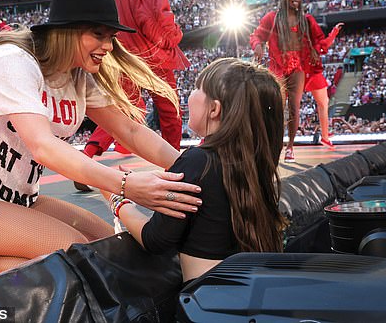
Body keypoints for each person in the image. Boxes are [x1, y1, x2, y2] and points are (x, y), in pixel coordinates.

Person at [0, 0, 202, 280]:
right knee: (72, 260)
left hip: (15, 199)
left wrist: (197, 167)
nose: (108, 46)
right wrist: (124, 185)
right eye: (98, 34)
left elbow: (131, 131)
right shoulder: (12, 62)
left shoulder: (77, 75)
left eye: (111, 36)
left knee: (109, 249)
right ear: (67, 31)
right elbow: (42, 145)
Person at [100, 58, 288, 284]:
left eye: (197, 88)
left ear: (214, 108)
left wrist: (116, 198)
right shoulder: (253, 164)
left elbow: (155, 239)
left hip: (205, 302)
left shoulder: (197, 162)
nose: (190, 95)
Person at [75, 0, 189, 191]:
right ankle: (177, 167)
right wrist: (175, 37)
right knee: (170, 113)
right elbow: (156, 25)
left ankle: (88, 155)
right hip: (153, 58)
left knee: (120, 112)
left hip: (124, 58)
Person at [250, 0, 339, 162]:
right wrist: (258, 45)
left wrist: (333, 34)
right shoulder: (272, 18)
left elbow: (320, 42)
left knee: (294, 108)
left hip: (298, 68)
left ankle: (290, 147)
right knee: (276, 107)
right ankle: (273, 144)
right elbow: (256, 35)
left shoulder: (307, 20)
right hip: (278, 67)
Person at [302, 23, 344, 148]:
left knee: (323, 103)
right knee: (323, 104)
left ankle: (325, 135)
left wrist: (334, 32)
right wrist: (334, 32)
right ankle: (325, 137)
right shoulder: (312, 44)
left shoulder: (300, 43)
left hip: (304, 74)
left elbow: (325, 44)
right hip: (310, 74)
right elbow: (326, 43)